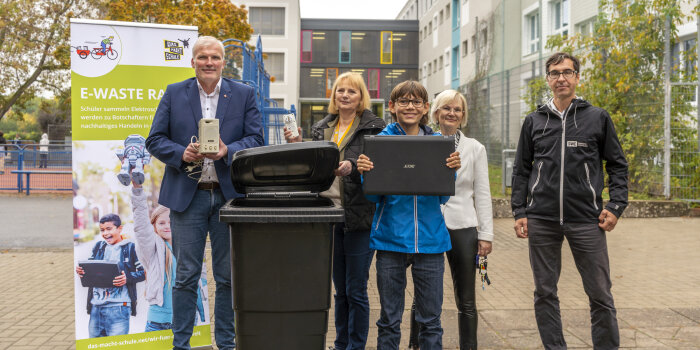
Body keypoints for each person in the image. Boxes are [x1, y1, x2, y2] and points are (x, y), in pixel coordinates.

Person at [145, 35, 264, 350]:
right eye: (202, 57)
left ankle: (226, 343)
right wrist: (180, 154)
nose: (208, 63)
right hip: (188, 197)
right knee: (186, 276)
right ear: (193, 61)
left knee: (227, 277)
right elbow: (154, 139)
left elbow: (256, 138)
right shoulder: (174, 93)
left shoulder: (243, 94)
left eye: (214, 57)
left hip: (228, 196)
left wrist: (228, 150)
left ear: (224, 62)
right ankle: (181, 344)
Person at [511, 52, 628, 350]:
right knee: (545, 292)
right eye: (554, 73)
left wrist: (615, 206)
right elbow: (522, 170)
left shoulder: (596, 118)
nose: (560, 78)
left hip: (587, 220)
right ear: (548, 79)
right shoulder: (534, 121)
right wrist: (519, 211)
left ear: (577, 77)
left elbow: (617, 165)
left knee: (600, 293)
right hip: (541, 220)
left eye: (567, 72)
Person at [284, 72, 386, 350]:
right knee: (340, 290)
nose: (344, 95)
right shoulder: (322, 126)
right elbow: (311, 169)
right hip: (328, 215)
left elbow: (374, 163)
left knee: (356, 289)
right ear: (334, 96)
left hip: (359, 215)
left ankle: (356, 345)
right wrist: (298, 148)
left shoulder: (375, 127)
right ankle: (341, 344)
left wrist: (351, 166)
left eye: (351, 91)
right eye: (340, 90)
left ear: (361, 96)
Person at [356, 80, 461, 350]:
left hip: (431, 242)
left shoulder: (439, 144)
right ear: (392, 106)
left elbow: (442, 197)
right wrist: (365, 175)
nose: (410, 106)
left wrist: (451, 172)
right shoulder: (379, 143)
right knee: (389, 320)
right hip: (390, 240)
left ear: (426, 108)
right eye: (404, 101)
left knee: (431, 320)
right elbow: (373, 197)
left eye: (416, 102)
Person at [407, 89, 494, 350]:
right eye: (446, 108)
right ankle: (416, 344)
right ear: (435, 112)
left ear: (463, 115)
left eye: (457, 109)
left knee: (466, 298)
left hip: (463, 227)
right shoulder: (422, 143)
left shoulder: (475, 148)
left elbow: (482, 193)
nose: (452, 113)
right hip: (429, 224)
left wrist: (486, 234)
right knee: (422, 294)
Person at [130, 179, 208, 332]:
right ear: (154, 225)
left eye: (172, 221)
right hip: (158, 323)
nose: (167, 226)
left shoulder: (191, 246)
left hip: (188, 320)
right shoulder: (152, 249)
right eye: (162, 223)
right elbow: (141, 226)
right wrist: (137, 190)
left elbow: (202, 274)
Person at [75, 214, 146, 338]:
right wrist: (82, 271)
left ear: (119, 228)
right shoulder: (98, 247)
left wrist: (127, 278)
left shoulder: (130, 247)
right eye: (102, 230)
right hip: (96, 307)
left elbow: (144, 272)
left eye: (109, 229)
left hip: (119, 307)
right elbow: (90, 268)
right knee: (95, 346)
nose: (105, 233)